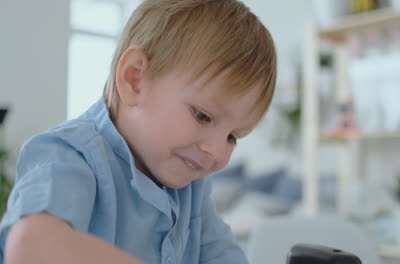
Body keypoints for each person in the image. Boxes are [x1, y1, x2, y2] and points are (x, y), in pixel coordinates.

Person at [0, 0, 276, 263]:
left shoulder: (192, 190)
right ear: (134, 79)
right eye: (202, 116)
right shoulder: (67, 155)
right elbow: (30, 246)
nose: (216, 152)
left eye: (232, 137)